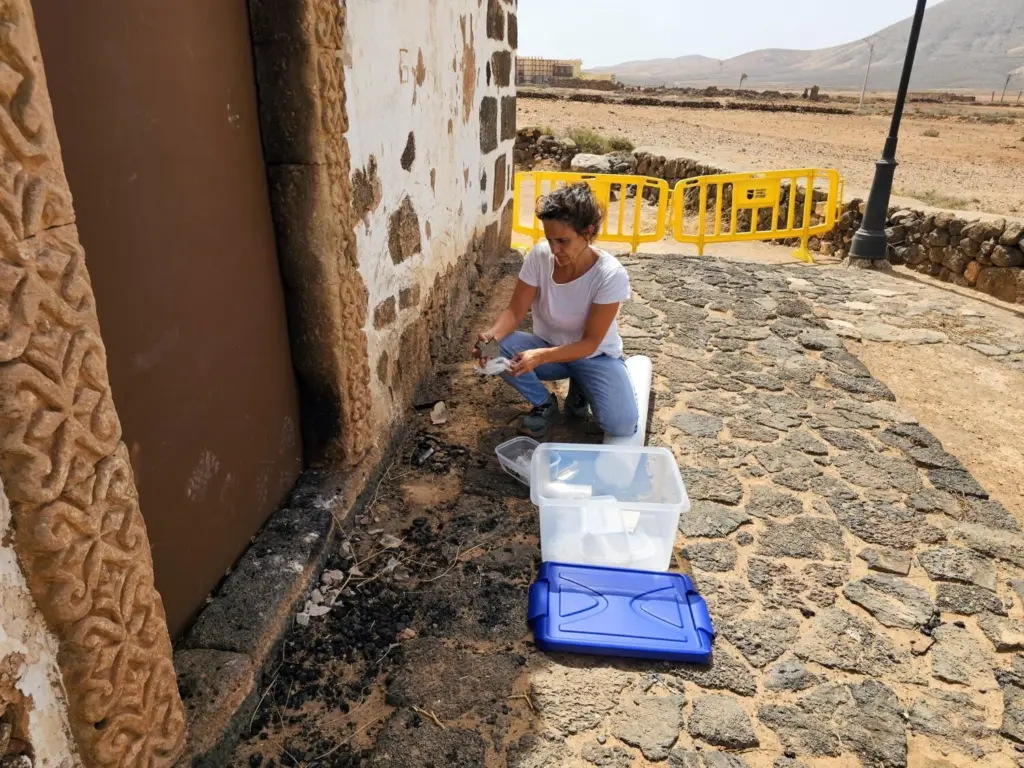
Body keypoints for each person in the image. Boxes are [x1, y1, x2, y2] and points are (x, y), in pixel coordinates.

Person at [474, 182, 639, 440]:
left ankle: (583, 386)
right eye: (550, 240)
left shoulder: (610, 274)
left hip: (594, 356)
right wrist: (489, 338)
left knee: (621, 426)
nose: (554, 249)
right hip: (548, 347)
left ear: (588, 232)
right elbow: (514, 312)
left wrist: (539, 357)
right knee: (498, 345)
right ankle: (544, 404)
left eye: (563, 241)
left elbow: (590, 343)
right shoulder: (540, 256)